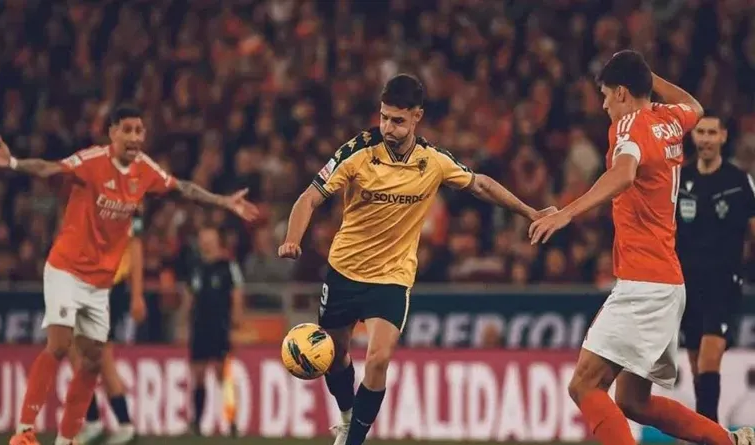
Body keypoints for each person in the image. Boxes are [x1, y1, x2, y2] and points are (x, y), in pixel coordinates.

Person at [277, 73, 554, 445]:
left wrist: (530, 212)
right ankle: (346, 415)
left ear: (417, 117)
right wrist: (292, 239)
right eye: (384, 117)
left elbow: (481, 184)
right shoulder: (356, 152)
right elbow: (309, 196)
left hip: (392, 278)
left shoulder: (433, 161)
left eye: (397, 120)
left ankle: (352, 440)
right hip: (344, 271)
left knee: (377, 359)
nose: (387, 127)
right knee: (335, 355)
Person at [0, 104, 258, 445]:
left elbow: (183, 188)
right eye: (127, 130)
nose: (134, 137)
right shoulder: (91, 161)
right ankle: (24, 431)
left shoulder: (145, 170)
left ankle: (67, 439)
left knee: (94, 361)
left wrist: (223, 202)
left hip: (101, 282)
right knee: (59, 344)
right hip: (66, 268)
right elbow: (50, 169)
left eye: (139, 131)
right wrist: (12, 163)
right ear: (112, 133)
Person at [529, 50, 754, 445]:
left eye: (604, 95)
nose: (602, 105)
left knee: (584, 386)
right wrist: (651, 79)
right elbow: (695, 106)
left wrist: (567, 212)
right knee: (634, 401)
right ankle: (730, 442)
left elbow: (623, 172)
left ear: (620, 93)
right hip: (667, 285)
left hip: (643, 283)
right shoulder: (669, 121)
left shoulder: (629, 127)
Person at [677, 112, 755, 423]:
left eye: (712, 132)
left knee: (710, 359)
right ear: (693, 137)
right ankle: (705, 428)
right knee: (698, 367)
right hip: (687, 285)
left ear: (723, 136)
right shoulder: (681, 180)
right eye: (701, 132)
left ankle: (708, 435)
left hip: (723, 283)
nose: (706, 139)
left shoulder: (737, 181)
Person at [73, 212, 146, 444]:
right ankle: (94, 421)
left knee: (101, 357)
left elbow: (135, 247)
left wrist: (136, 295)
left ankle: (124, 425)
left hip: (109, 287)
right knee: (77, 355)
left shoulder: (125, 199)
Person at [183, 226, 244, 436]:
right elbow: (190, 295)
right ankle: (197, 423)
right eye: (203, 239)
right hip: (199, 326)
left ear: (217, 241)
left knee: (222, 374)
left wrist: (236, 317)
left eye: (209, 238)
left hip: (219, 326)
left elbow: (236, 292)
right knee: (198, 375)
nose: (206, 243)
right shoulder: (196, 266)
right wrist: (184, 321)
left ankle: (232, 421)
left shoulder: (227, 265)